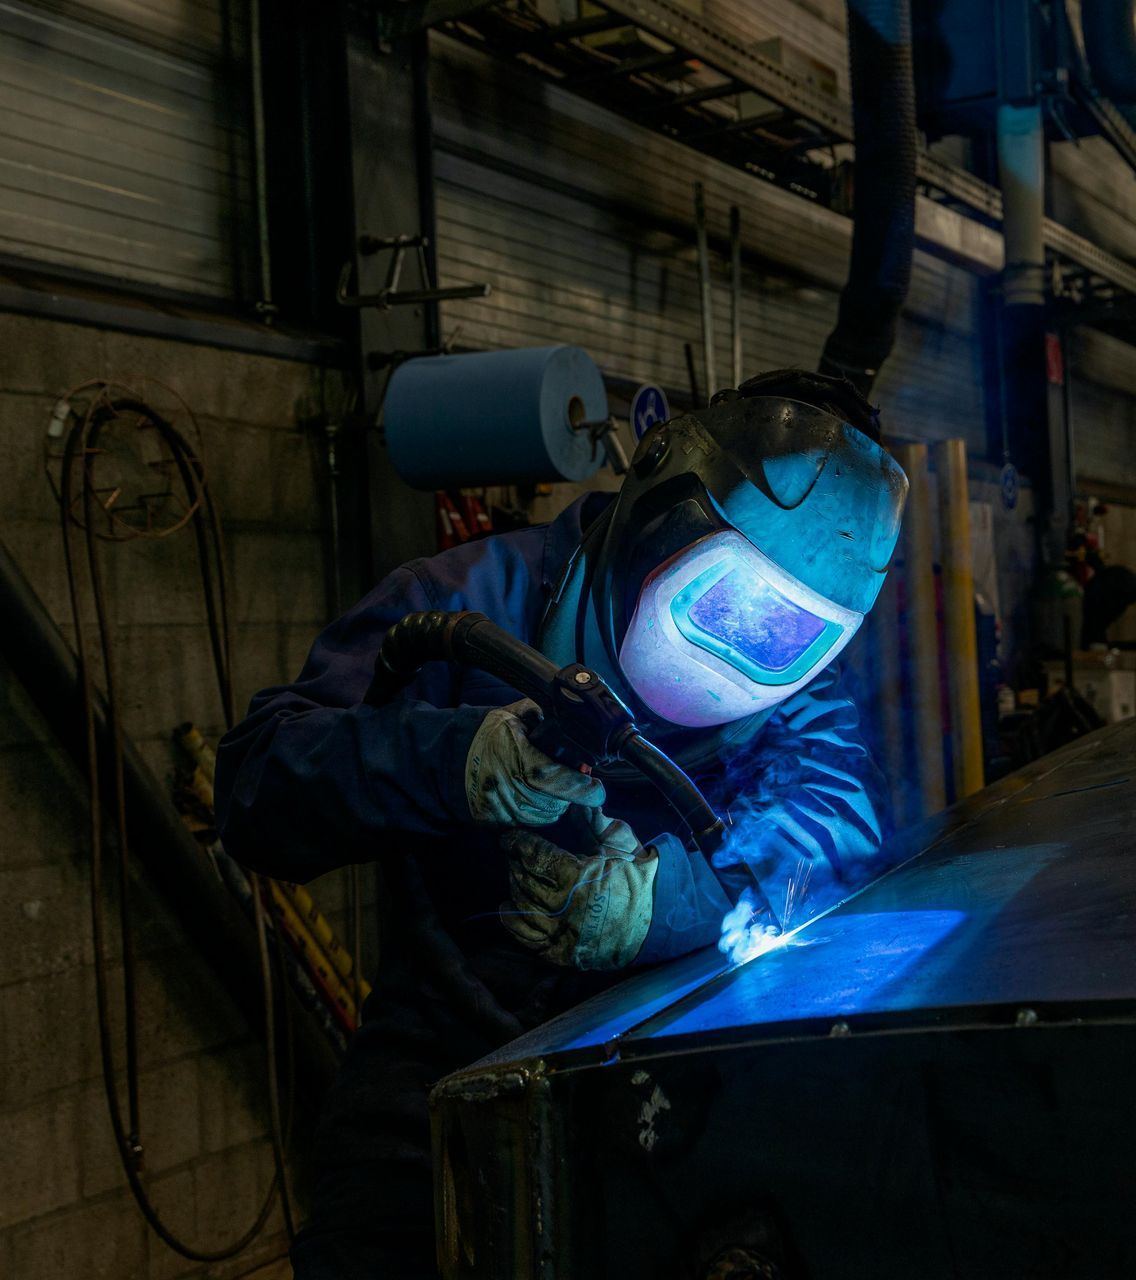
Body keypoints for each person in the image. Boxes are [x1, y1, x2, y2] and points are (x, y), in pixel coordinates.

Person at [215, 369, 909, 1278]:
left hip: (664, 1070)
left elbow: (833, 832)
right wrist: (452, 759)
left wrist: (663, 905)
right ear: (665, 499)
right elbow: (258, 788)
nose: (745, 644)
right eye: (729, 602)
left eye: (785, 631)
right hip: (439, 1061)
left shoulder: (800, 696)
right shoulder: (471, 603)